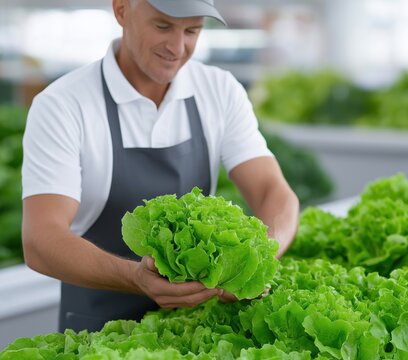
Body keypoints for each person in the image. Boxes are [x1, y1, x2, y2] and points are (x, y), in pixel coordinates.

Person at [21, 0, 299, 333]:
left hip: (192, 331)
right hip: (95, 333)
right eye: (163, 26)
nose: (177, 47)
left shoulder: (220, 90)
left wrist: (253, 265)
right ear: (122, 10)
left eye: (192, 30)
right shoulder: (63, 105)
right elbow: (40, 240)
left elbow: (274, 192)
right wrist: (134, 278)